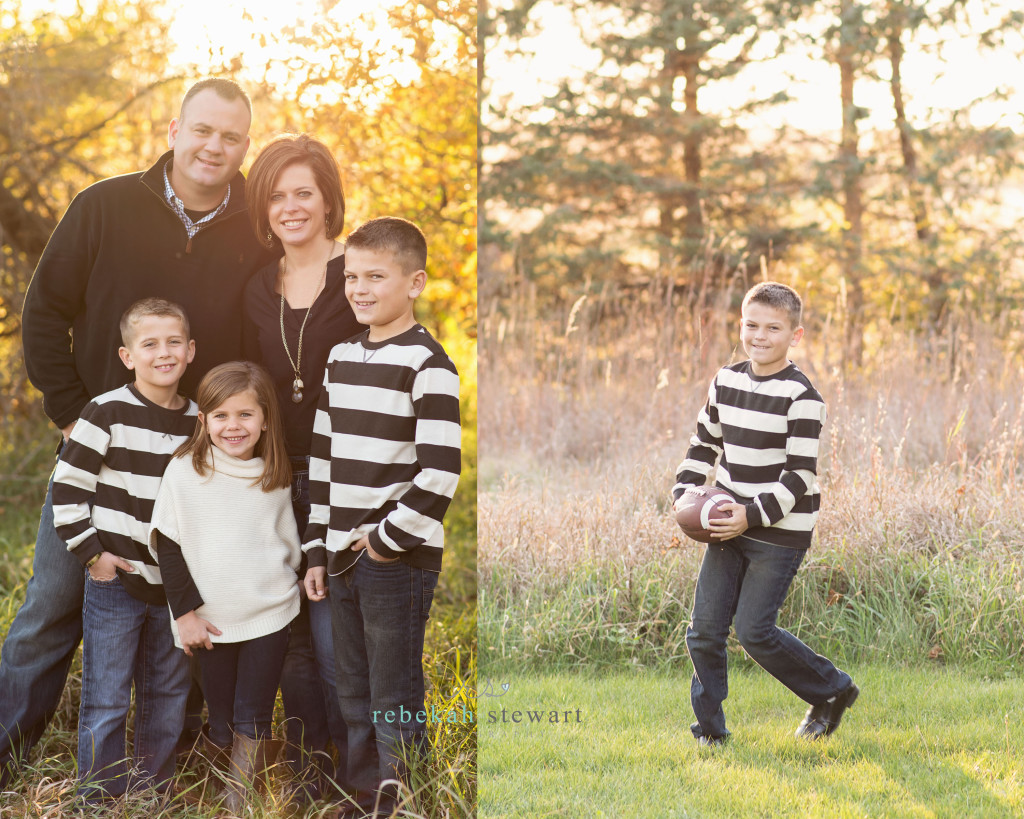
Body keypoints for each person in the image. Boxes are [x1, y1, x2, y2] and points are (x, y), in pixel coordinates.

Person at [0, 77, 274, 786]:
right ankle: (8, 741)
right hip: (98, 454)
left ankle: (168, 757)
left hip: (195, 463)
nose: (216, 146)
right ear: (176, 129)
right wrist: (71, 413)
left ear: (247, 145)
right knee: (54, 603)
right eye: (204, 130)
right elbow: (43, 312)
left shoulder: (256, 231)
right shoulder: (104, 206)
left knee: (182, 605)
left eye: (233, 136)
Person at [303, 217, 462, 817]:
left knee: (393, 692)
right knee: (353, 690)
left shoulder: (428, 364)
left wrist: (387, 541)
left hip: (396, 559)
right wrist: (317, 549)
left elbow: (440, 471)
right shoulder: (341, 357)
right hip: (340, 554)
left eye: (376, 276)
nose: (360, 288)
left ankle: (403, 801)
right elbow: (324, 458)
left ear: (414, 282)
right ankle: (362, 794)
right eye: (351, 277)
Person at [672, 281, 859, 747]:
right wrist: (685, 492)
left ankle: (833, 690)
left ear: (794, 335)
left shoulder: (803, 397)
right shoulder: (726, 380)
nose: (760, 335)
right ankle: (710, 732)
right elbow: (704, 445)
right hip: (725, 523)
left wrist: (749, 516)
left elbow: (800, 478)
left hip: (779, 530)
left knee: (754, 631)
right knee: (704, 631)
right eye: (751, 325)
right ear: (741, 325)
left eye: (773, 328)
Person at [243, 133, 359, 801]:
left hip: (341, 476)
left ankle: (358, 773)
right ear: (264, 208)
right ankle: (309, 770)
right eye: (277, 195)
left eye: (304, 193)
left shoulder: (361, 271)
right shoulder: (257, 287)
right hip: (273, 476)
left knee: (333, 633)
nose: (291, 206)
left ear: (327, 199)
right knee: (286, 635)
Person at [51, 298, 197, 803]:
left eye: (174, 341)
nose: (164, 352)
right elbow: (69, 489)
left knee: (168, 693)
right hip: (116, 578)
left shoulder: (199, 421)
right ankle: (98, 794)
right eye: (150, 343)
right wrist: (95, 557)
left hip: (174, 586)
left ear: (191, 350)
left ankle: (151, 788)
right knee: (107, 694)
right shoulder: (107, 410)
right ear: (127, 355)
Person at [150, 361, 300, 813]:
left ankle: (239, 804)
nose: (233, 426)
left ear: (265, 420)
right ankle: (217, 792)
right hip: (210, 622)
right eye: (221, 416)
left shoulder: (274, 475)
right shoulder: (185, 471)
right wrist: (186, 614)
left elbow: (285, 545)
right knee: (220, 718)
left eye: (245, 415)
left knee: (254, 715)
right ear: (203, 421)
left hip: (269, 615)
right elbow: (168, 546)